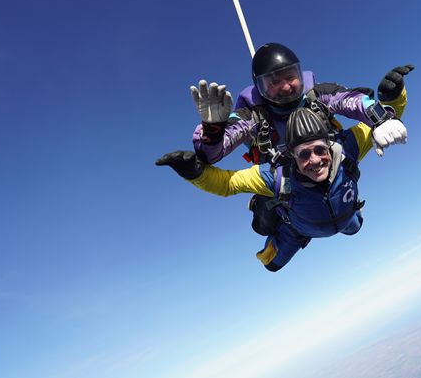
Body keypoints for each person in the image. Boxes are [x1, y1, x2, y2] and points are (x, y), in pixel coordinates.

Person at [156, 103, 407, 272]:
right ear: (292, 156)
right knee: (271, 265)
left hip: (346, 215)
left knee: (355, 228)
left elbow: (384, 120)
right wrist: (194, 171)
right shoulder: (277, 176)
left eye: (320, 150)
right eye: (304, 154)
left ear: (330, 144)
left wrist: (394, 95)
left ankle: (345, 214)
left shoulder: (348, 148)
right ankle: (264, 206)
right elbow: (228, 183)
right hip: (298, 229)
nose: (315, 160)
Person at [191, 42, 413, 165]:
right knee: (268, 214)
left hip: (328, 161)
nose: (286, 86)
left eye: (290, 76)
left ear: (300, 73)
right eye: (274, 82)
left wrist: (381, 119)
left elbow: (352, 100)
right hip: (286, 178)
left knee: (351, 220)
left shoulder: (317, 95)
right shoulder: (252, 115)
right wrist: (213, 129)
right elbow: (212, 153)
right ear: (260, 87)